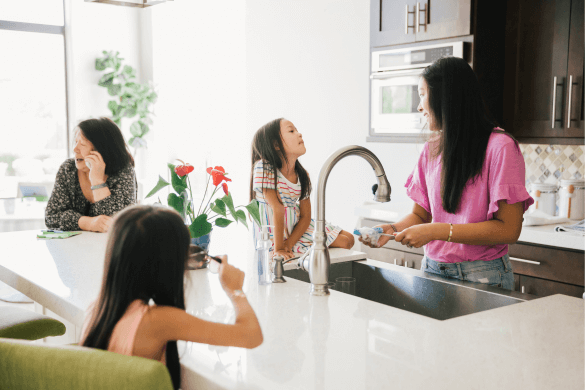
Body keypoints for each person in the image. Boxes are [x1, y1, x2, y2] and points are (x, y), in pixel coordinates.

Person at [361, 57, 534, 291]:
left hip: (483, 275)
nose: (419, 106)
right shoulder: (432, 149)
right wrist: (391, 230)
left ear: (446, 98)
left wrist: (436, 230)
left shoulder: (500, 147)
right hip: (432, 269)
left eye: (422, 95)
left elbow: (509, 229)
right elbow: (421, 216)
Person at [81, 205, 263, 390]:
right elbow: (251, 336)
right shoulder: (157, 320)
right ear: (166, 264)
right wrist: (235, 290)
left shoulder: (96, 309)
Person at [250, 118, 355, 263]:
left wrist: (289, 244)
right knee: (343, 242)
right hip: (274, 236)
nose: (299, 134)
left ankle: (298, 248)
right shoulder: (264, 167)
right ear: (276, 145)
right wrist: (280, 248)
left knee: (349, 239)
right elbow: (277, 208)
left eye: (297, 130)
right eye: (291, 131)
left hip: (295, 229)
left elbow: (305, 216)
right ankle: (300, 251)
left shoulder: (302, 175)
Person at [45, 117, 136, 232]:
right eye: (76, 142)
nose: (75, 149)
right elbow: (51, 217)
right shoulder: (68, 169)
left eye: (82, 144)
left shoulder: (123, 171)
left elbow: (118, 222)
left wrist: (97, 180)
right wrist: (88, 223)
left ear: (101, 150)